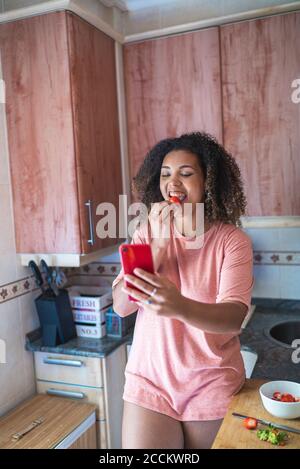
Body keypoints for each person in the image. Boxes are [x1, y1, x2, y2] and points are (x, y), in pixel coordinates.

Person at [112, 131, 254, 449]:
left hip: (211, 383)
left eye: (186, 174)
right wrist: (157, 247)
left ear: (208, 183)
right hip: (149, 381)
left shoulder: (233, 242)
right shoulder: (146, 232)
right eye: (165, 174)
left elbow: (233, 317)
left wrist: (179, 305)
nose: (172, 183)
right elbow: (122, 305)